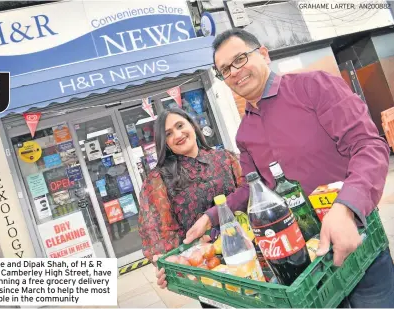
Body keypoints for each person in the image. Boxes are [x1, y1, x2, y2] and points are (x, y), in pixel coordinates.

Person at [185, 28, 394, 307]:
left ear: (263, 54)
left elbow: (368, 145)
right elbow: (253, 188)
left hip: (357, 238)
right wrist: (211, 217)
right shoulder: (245, 134)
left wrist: (345, 207)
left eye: (240, 59)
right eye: (224, 70)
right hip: (308, 260)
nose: (234, 72)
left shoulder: (315, 86)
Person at [138, 108, 242, 308]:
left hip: (245, 251)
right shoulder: (159, 179)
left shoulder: (225, 158)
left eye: (180, 126)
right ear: (164, 143)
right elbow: (158, 233)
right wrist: (167, 264)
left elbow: (246, 195)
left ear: (192, 125)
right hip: (206, 268)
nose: (177, 135)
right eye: (168, 134)